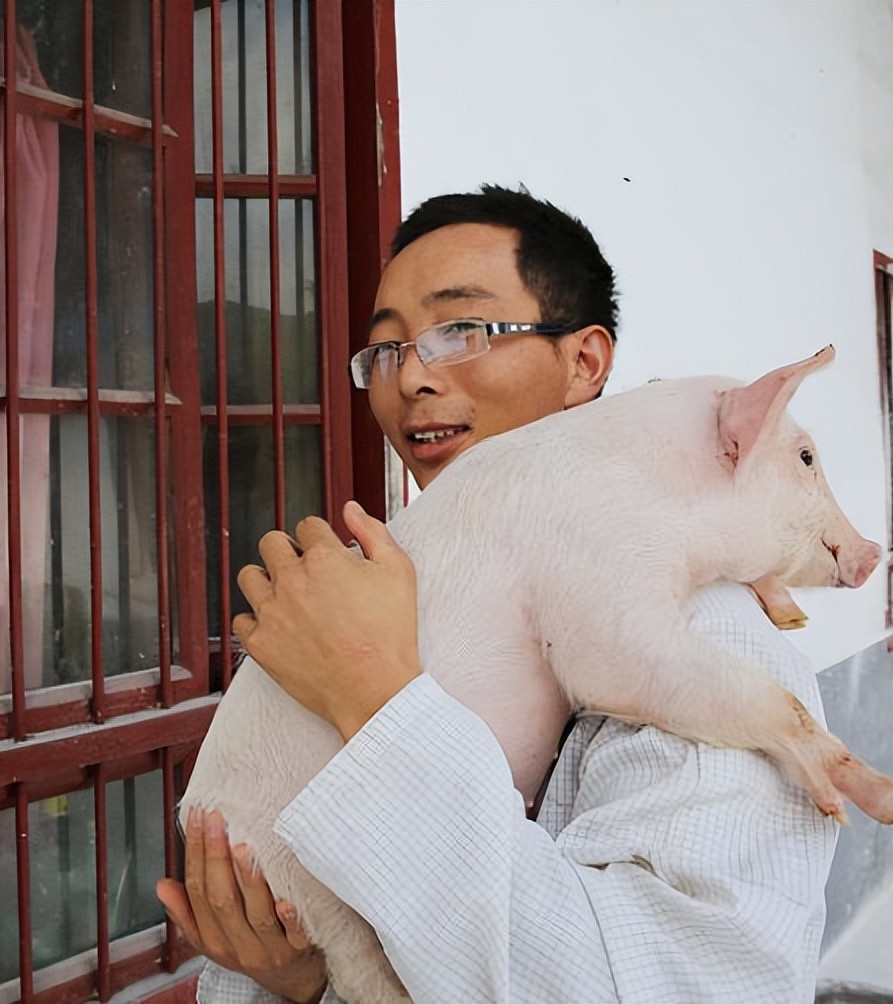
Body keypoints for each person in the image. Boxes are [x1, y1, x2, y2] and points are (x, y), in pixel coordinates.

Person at [157, 185, 838, 1003]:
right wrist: (308, 975)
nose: (411, 377)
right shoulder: (392, 586)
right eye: (385, 350)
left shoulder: (704, 635)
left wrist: (374, 697)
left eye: (460, 331)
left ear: (584, 363)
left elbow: (680, 983)